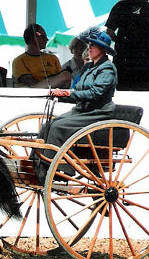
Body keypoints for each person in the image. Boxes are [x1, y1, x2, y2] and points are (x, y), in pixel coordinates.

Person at [33, 29, 118, 181]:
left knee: (59, 128)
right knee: (47, 125)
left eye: (93, 45)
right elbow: (78, 90)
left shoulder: (107, 69)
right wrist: (60, 93)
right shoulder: (88, 67)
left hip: (97, 113)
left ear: (103, 49)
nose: (89, 48)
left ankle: (61, 170)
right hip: (82, 110)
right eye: (89, 45)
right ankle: (36, 164)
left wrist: (68, 94)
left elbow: (94, 93)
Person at [105, 0, 149, 91]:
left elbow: (109, 33)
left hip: (123, 59)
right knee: (141, 94)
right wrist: (147, 44)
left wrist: (121, 41)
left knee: (122, 92)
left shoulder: (120, 6)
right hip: (142, 60)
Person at [12, 23, 71, 88]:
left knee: (67, 75)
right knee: (65, 75)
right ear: (32, 38)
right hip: (31, 94)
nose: (47, 39)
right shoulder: (19, 61)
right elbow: (29, 82)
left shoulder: (53, 58)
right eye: (43, 37)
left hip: (53, 93)